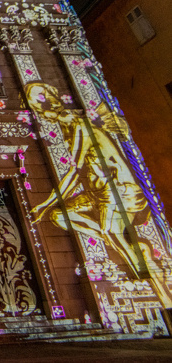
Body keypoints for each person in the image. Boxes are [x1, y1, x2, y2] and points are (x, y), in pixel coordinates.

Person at [26, 82, 171, 306]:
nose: (43, 103)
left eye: (43, 96)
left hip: (120, 190)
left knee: (109, 231)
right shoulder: (67, 129)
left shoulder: (81, 124)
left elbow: (73, 171)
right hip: (98, 194)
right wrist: (48, 207)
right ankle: (136, 249)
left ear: (55, 94)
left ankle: (148, 277)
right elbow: (75, 173)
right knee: (60, 217)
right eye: (36, 102)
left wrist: (44, 204)